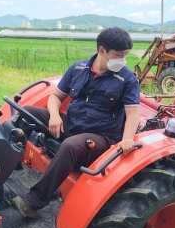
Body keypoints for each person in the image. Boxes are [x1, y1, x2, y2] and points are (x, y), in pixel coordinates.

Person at [11, 27, 140, 218]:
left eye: (125, 55)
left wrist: (127, 139)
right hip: (72, 123)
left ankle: (34, 201)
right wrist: (54, 116)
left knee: (70, 145)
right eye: (118, 55)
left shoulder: (127, 78)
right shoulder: (78, 68)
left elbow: (132, 113)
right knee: (27, 113)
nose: (122, 60)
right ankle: (11, 165)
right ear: (102, 50)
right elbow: (56, 96)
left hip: (100, 135)